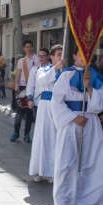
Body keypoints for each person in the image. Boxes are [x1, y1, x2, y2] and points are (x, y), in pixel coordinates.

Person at [51, 47, 103, 205]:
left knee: (85, 163)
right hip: (70, 123)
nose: (85, 58)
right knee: (65, 162)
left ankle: (78, 202)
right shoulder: (65, 75)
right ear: (75, 55)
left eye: (89, 55)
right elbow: (57, 102)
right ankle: (62, 204)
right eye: (81, 54)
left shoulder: (97, 77)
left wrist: (89, 87)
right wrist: (72, 117)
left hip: (90, 122)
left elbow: (102, 104)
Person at [28, 45, 65, 183]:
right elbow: (42, 80)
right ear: (52, 56)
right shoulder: (42, 70)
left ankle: (53, 171)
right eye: (58, 54)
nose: (61, 57)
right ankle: (38, 169)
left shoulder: (66, 72)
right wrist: (56, 69)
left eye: (62, 54)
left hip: (60, 107)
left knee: (56, 139)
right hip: (46, 106)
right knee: (43, 137)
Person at [11, 40, 38, 143]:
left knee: (29, 112)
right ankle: (16, 132)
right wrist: (16, 85)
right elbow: (18, 74)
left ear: (32, 47)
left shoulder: (37, 59)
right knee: (19, 111)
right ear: (24, 48)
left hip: (33, 88)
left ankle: (27, 134)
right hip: (22, 87)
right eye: (26, 47)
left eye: (30, 46)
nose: (29, 48)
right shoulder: (21, 61)